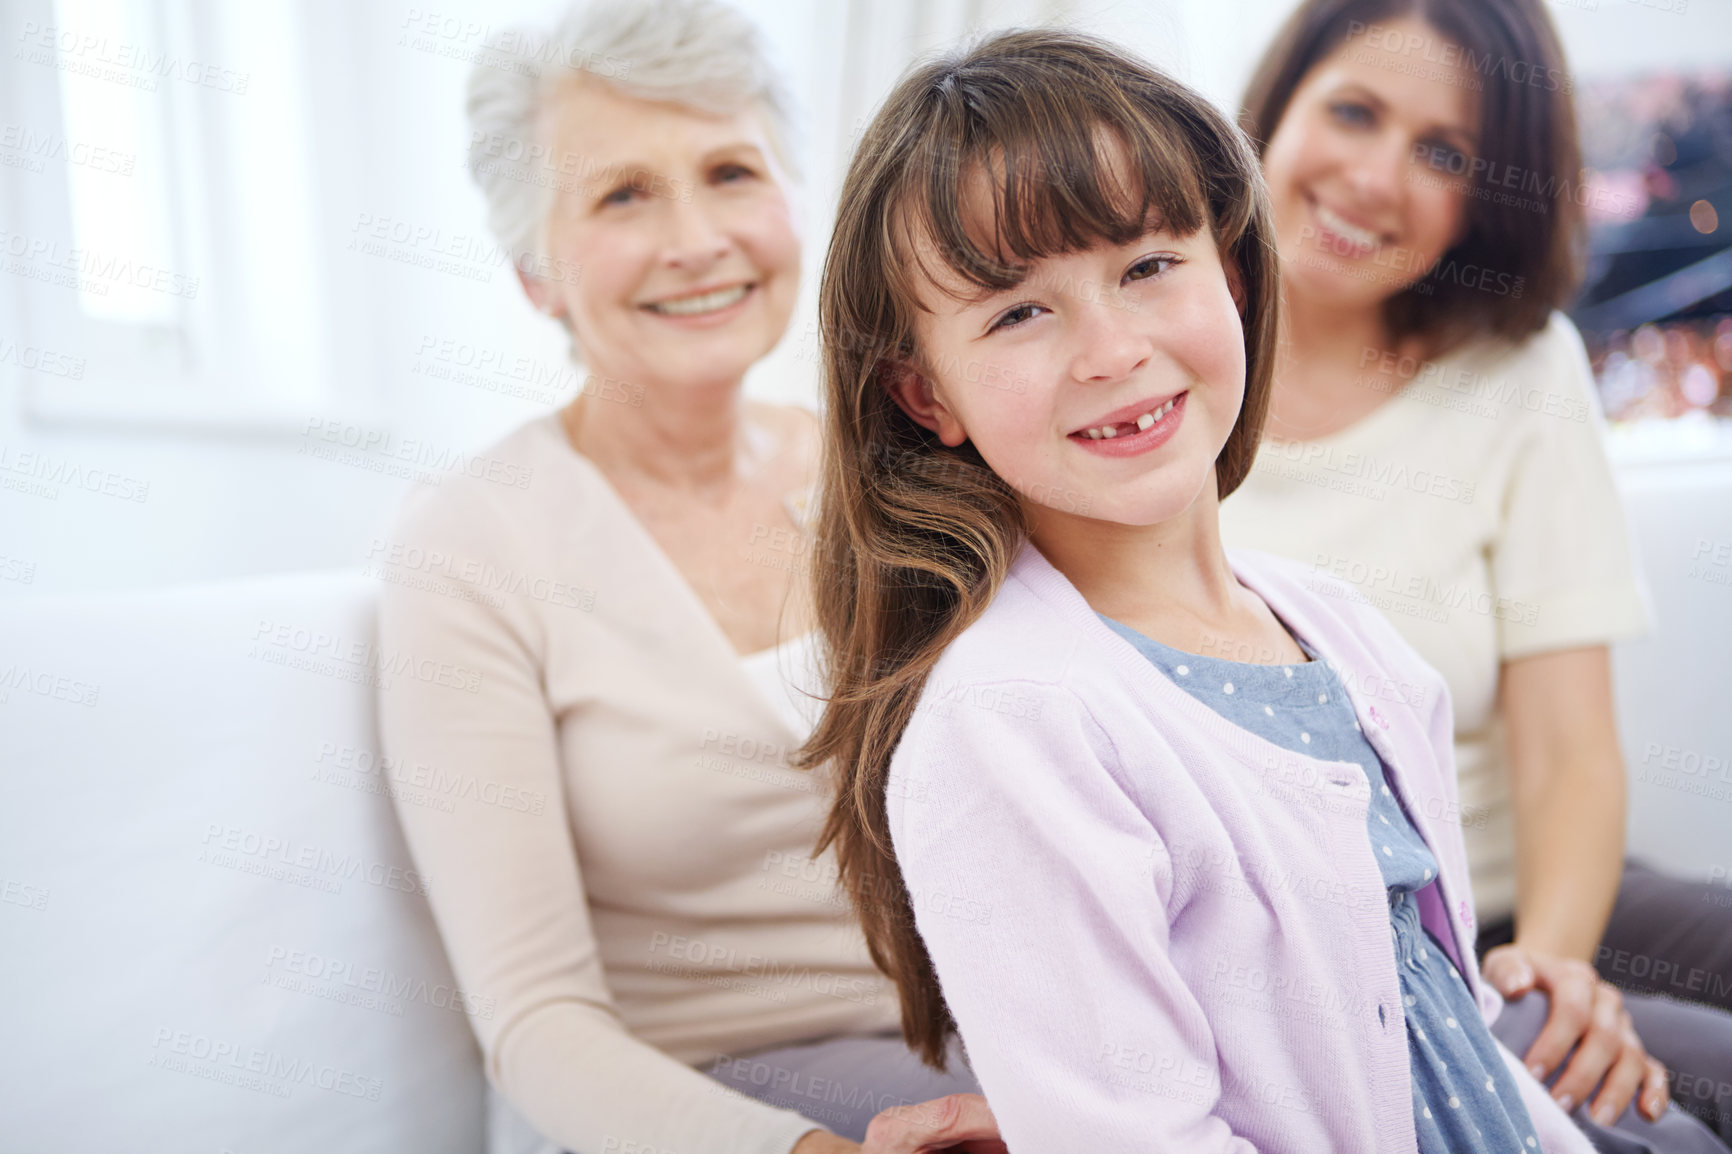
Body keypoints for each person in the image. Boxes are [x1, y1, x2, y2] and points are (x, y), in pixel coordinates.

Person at [796, 24, 1727, 1153]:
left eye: (1146, 267)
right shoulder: (1005, 724)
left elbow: (1441, 1015)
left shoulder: (1335, 626)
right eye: (1018, 311)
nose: (1111, 349)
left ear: (1233, 274)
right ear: (923, 395)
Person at [376, 2, 999, 1151]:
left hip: (1006, 1048)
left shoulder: (902, 462)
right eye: (622, 194)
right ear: (533, 273)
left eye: (729, 171)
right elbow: (536, 1021)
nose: (697, 237)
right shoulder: (474, 543)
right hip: (708, 1102)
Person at [1224, 0, 1732, 1144]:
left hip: (1519, 887)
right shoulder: (1152, 355)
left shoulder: (1518, 367)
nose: (1372, 176)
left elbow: (1567, 751)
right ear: (1277, 105)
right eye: (1352, 111)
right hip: (1343, 935)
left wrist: (1548, 963)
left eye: (1442, 152)